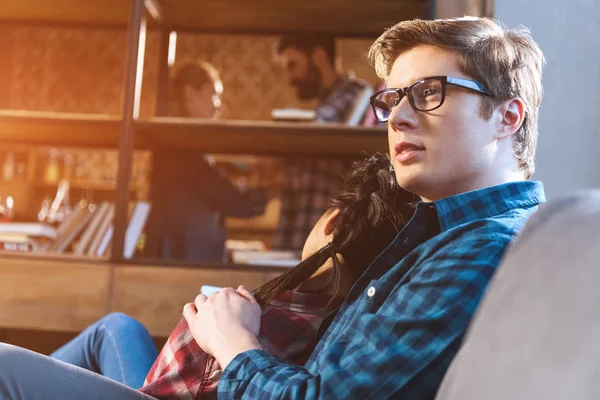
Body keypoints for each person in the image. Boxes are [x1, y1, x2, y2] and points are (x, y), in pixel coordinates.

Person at [179, 16, 547, 399]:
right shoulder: (446, 239)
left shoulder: (483, 247)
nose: (398, 119)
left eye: (428, 93)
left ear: (507, 117)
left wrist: (232, 341)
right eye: (392, 100)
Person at [0, 154, 415, 399]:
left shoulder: (297, 321)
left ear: (334, 223)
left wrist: (222, 333)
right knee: (115, 327)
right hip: (159, 387)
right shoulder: (347, 312)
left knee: (6, 363)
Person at [145, 61, 265, 262]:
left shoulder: (182, 145)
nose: (218, 104)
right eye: (213, 94)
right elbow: (232, 202)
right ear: (189, 93)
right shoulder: (180, 148)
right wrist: (270, 190)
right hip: (180, 264)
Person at [272, 35, 372, 251]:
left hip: (328, 240)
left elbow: (318, 129)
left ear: (318, 57)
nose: (290, 78)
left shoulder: (356, 95)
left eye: (293, 64)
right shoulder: (325, 106)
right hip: (302, 237)